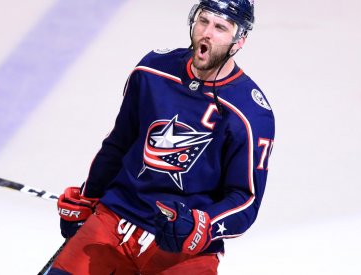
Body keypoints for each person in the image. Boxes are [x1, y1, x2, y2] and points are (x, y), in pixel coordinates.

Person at [48, 0, 274, 274]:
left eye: (220, 27)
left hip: (182, 245)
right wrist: (87, 197)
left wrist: (203, 224)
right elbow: (119, 143)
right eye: (203, 21)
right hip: (116, 217)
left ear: (239, 41)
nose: (207, 33)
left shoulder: (250, 113)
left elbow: (245, 199)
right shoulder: (153, 70)